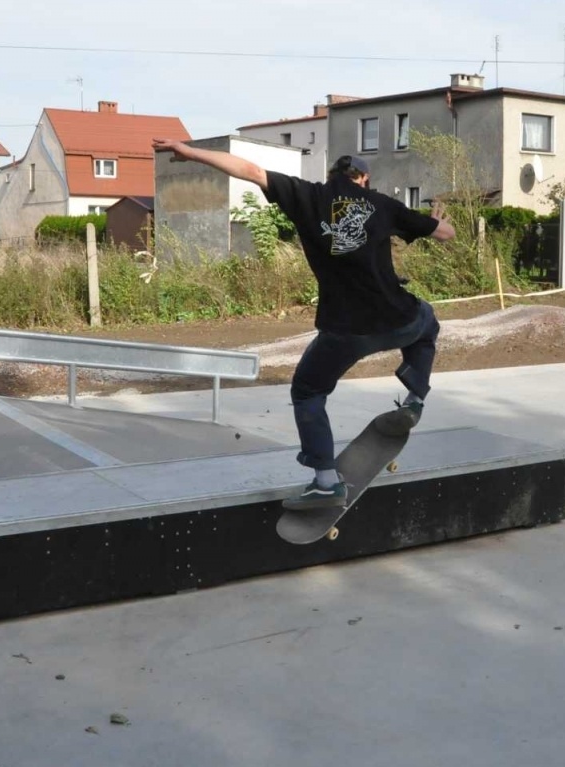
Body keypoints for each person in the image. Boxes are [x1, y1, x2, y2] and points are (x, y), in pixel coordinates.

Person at [151, 139, 455, 509]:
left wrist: (190, 152)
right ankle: (415, 400)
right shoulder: (383, 204)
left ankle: (326, 482)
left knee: (309, 392)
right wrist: (437, 222)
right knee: (428, 326)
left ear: (333, 176)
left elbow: (249, 170)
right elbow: (444, 234)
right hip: (399, 317)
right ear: (364, 178)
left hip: (345, 330)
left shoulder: (306, 195)